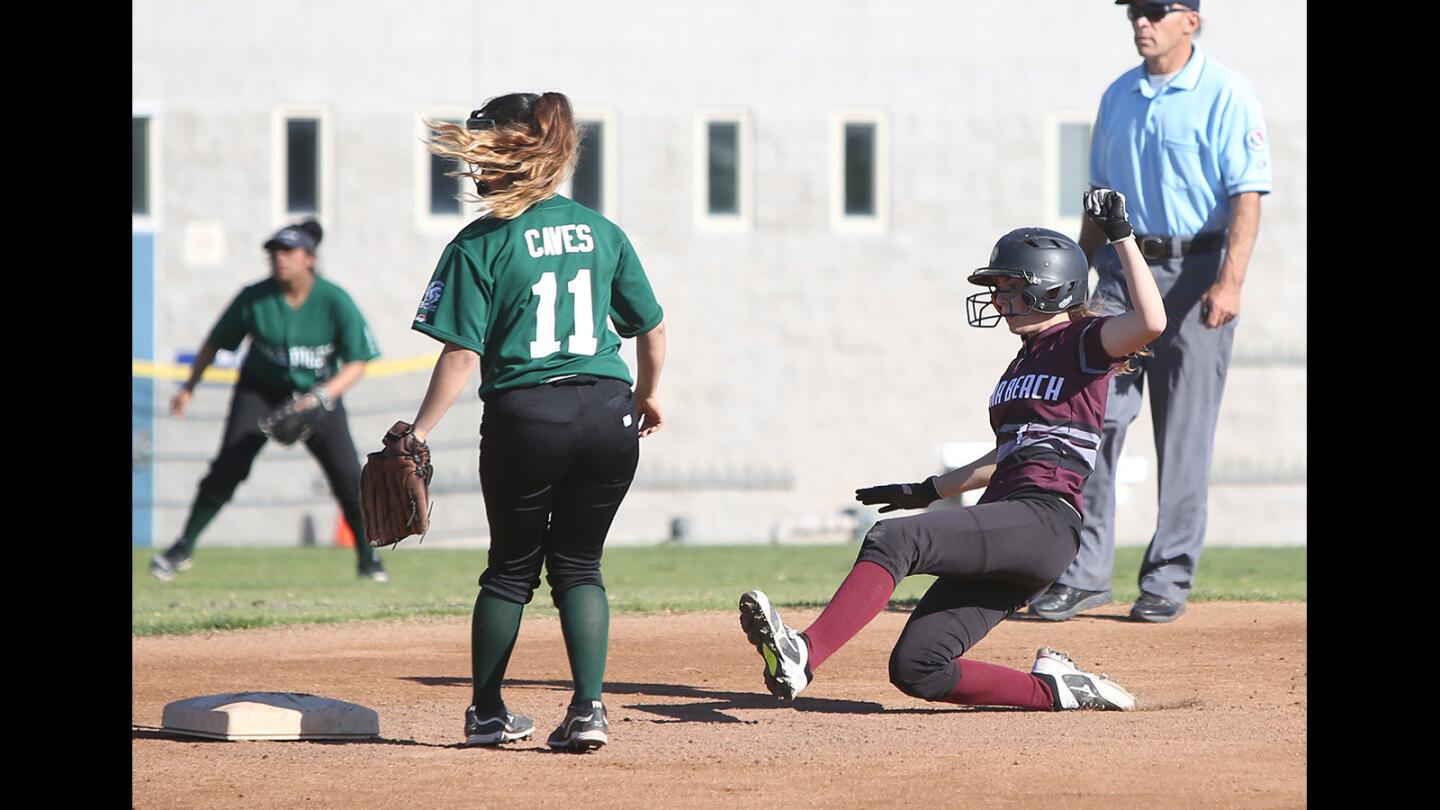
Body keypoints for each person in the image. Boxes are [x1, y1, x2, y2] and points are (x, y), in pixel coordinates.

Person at [739, 190, 1163, 713]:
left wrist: (1120, 236)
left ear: (1056, 289)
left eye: (1014, 288)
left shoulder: (1082, 340)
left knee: (895, 539)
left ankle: (804, 652)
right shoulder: (1021, 362)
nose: (1000, 299)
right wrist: (927, 489)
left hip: (1044, 520)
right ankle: (1059, 690)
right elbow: (1007, 455)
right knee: (918, 668)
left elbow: (1151, 322)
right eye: (999, 289)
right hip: (1011, 521)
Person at [400, 92, 666, 752]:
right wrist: (648, 395)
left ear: (507, 156)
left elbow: (462, 354)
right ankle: (589, 709)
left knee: (511, 570)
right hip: (609, 410)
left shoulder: (481, 240)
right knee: (579, 565)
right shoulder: (602, 231)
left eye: (482, 152)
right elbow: (652, 331)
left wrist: (420, 432)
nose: (474, 168)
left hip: (529, 414)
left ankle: (488, 712)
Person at [1028, 0, 1272, 624]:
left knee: (1184, 432)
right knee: (1097, 418)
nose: (1142, 21)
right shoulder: (1118, 96)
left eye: (1156, 11)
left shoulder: (1226, 93)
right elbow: (1097, 199)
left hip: (1198, 272)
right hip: (1120, 273)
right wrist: (1076, 285)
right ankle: (1083, 575)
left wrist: (1231, 283)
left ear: (1190, 19)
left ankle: (1168, 577)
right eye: (1136, 10)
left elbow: (1247, 195)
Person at [151, 219, 388, 582]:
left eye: (288, 251)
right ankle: (182, 547)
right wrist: (189, 388)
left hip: (319, 394)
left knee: (347, 476)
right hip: (260, 391)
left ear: (309, 258)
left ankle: (367, 559)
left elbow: (359, 361)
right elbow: (215, 343)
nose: (279, 258)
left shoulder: (334, 300)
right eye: (274, 252)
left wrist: (321, 396)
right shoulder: (255, 298)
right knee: (229, 466)